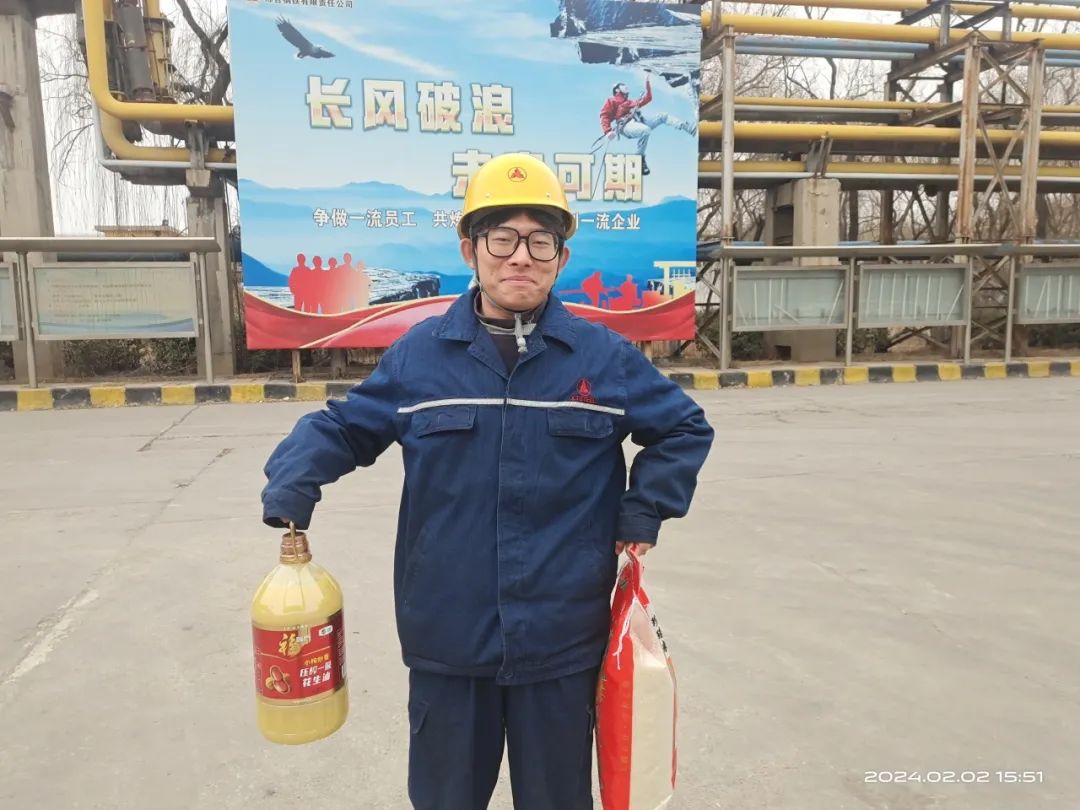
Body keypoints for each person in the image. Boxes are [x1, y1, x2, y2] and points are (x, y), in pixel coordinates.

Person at [260, 153, 714, 810]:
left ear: (561, 256)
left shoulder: (602, 359)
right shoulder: (421, 356)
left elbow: (683, 428)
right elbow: (344, 426)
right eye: (502, 238)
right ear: (470, 249)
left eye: (540, 240)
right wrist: (292, 485)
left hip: (561, 640)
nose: (520, 256)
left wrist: (642, 512)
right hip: (447, 637)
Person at [599, 77, 697, 176]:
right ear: (617, 90)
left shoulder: (631, 102)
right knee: (645, 130)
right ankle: (639, 158)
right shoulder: (612, 101)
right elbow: (604, 115)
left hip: (640, 122)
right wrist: (608, 131)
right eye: (622, 85)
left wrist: (647, 83)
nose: (626, 86)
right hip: (626, 126)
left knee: (663, 116)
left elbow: (648, 98)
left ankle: (688, 128)